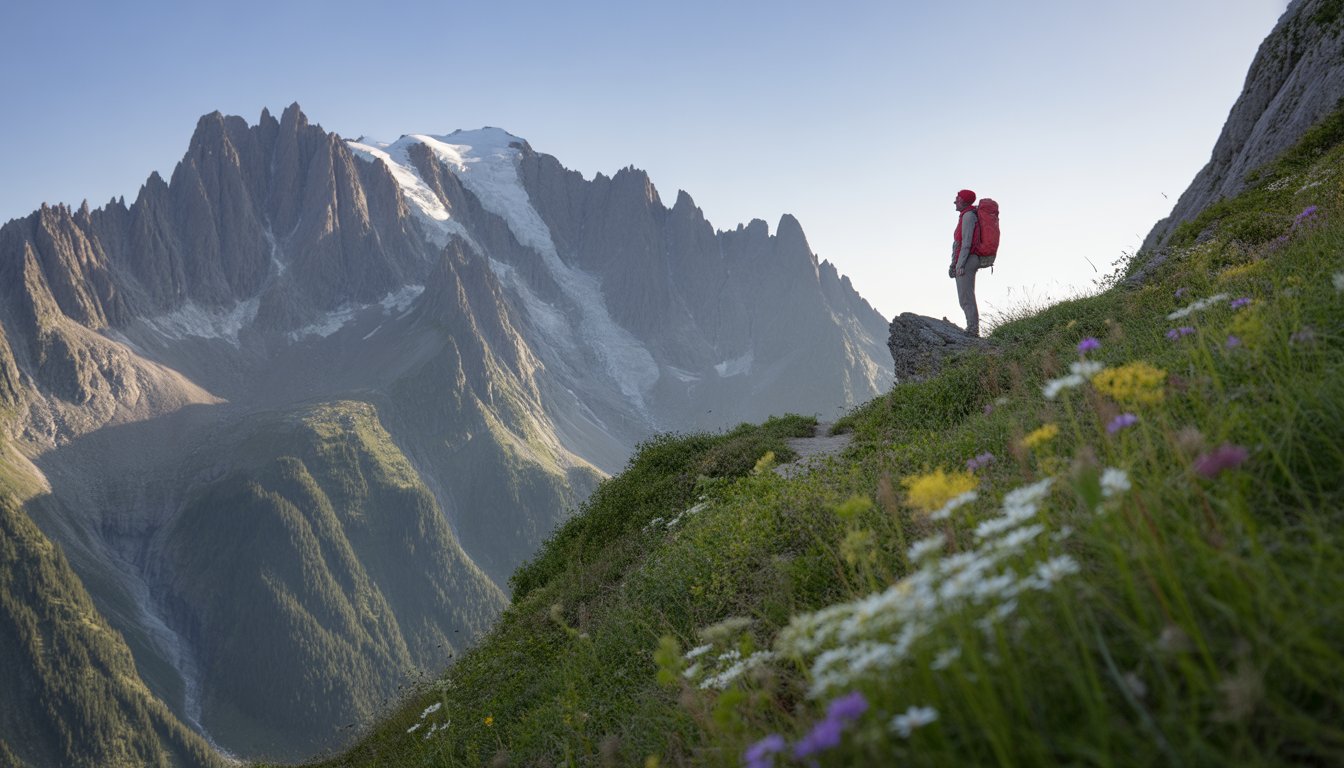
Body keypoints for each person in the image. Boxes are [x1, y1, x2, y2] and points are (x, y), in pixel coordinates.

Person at [949, 188, 982, 337]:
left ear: (964, 201)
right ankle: (972, 327)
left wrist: (960, 265)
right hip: (966, 259)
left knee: (966, 296)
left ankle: (973, 329)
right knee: (965, 296)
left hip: (967, 260)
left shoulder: (968, 216)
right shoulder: (966, 215)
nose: (955, 201)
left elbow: (966, 242)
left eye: (958, 198)